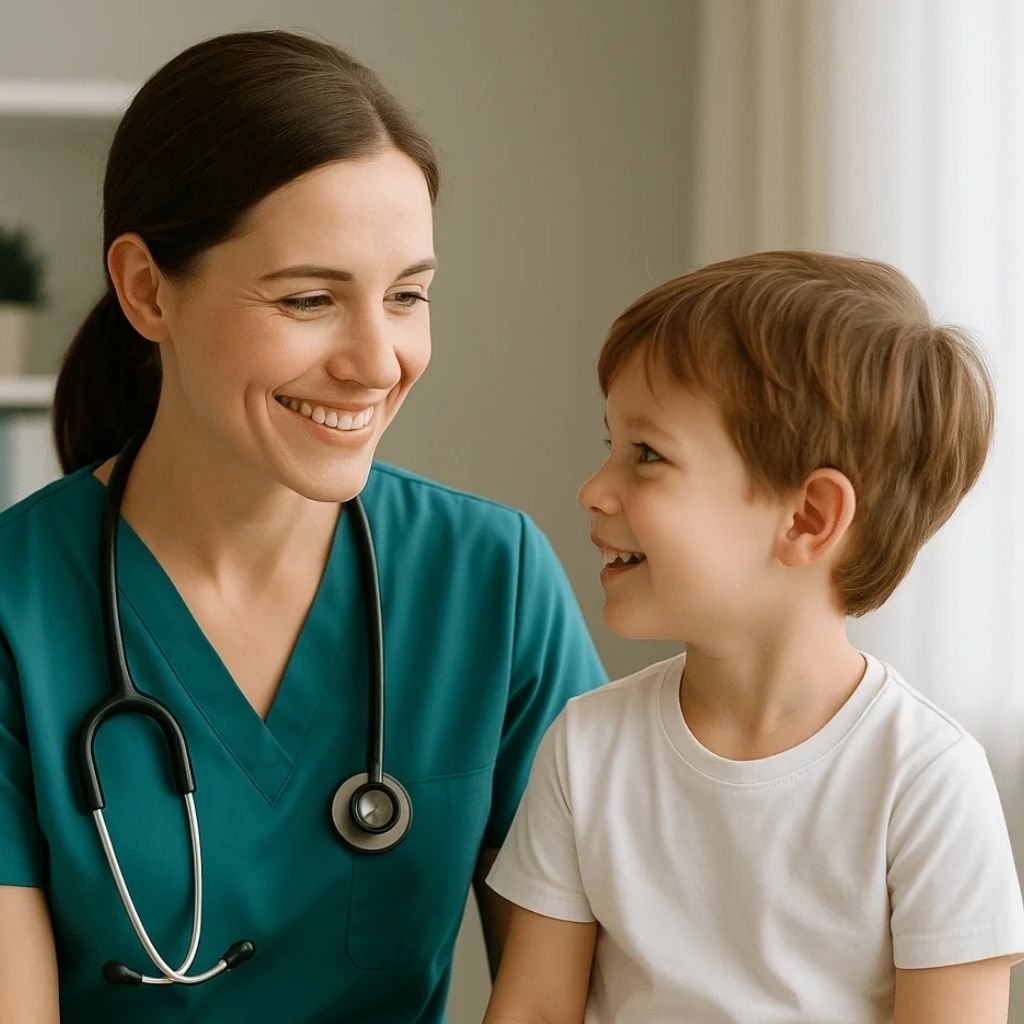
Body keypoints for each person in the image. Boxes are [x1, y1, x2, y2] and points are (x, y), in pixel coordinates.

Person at [0, 30, 606, 1024]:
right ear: (148, 289)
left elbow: (572, 995)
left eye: (408, 295)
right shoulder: (15, 610)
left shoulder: (488, 584)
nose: (378, 361)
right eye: (311, 299)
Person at [483, 251, 1024, 1024]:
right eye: (611, 445)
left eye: (647, 455)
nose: (594, 489)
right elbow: (532, 1010)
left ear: (807, 518)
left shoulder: (927, 780)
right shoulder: (587, 746)